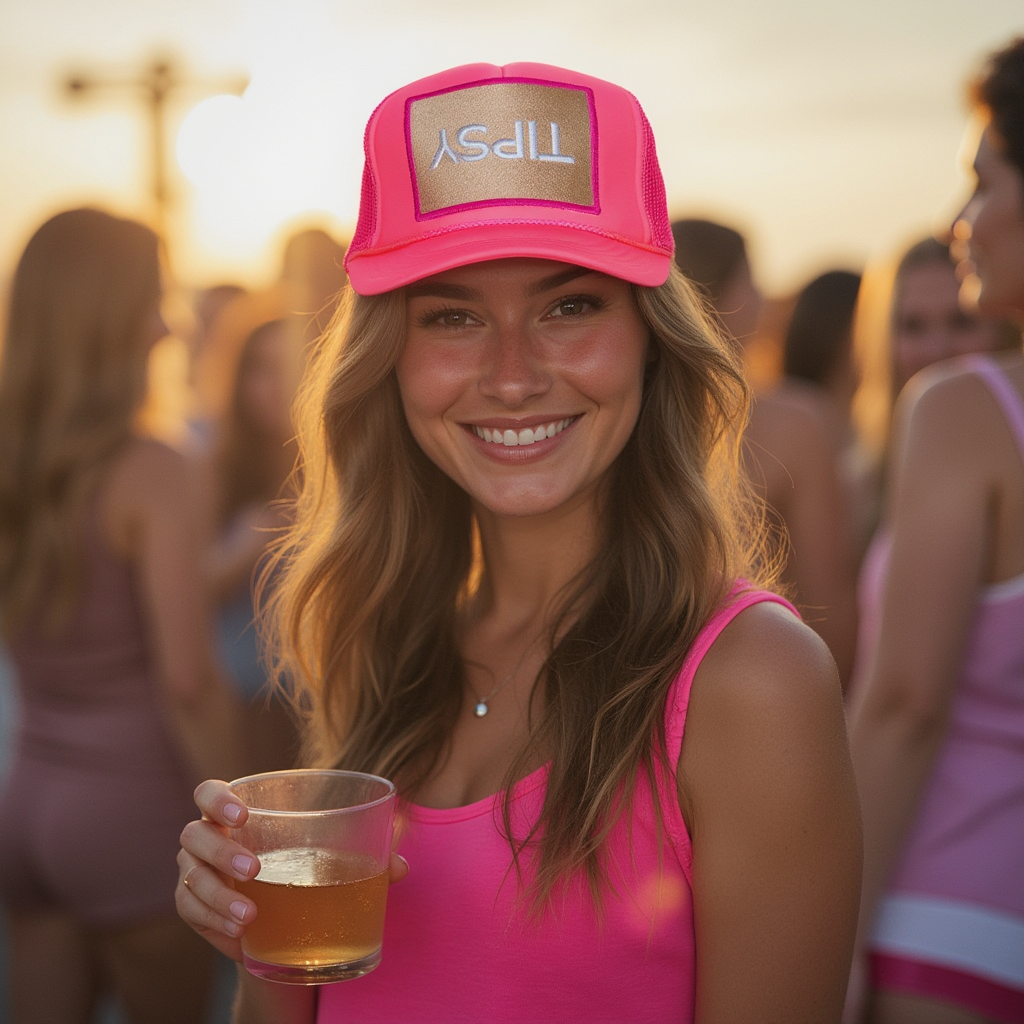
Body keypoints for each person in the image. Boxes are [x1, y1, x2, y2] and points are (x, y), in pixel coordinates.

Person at [176, 62, 862, 1024]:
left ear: (648, 339)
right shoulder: (389, 639)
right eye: (453, 317)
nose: (510, 375)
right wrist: (259, 938)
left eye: (569, 306)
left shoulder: (750, 684)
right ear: (391, 361)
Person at [0, 208, 247, 1024]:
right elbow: (186, 679)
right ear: (106, 317)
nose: (170, 325)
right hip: (132, 815)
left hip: (27, 808)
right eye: (153, 298)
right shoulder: (151, 467)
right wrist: (258, 819)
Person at [848, 36, 1024, 1024]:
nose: (961, 221)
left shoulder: (965, 411)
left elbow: (904, 704)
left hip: (944, 919)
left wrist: (827, 931)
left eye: (981, 182)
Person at [673, 217, 860, 688]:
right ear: (719, 297)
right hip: (758, 689)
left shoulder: (612, 416)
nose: (761, 299)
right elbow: (827, 607)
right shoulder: (793, 422)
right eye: (751, 281)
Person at [192, 314, 304, 772]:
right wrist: (249, 543)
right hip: (242, 698)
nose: (275, 384)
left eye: (290, 366)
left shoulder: (344, 465)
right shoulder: (209, 461)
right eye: (259, 368)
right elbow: (185, 589)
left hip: (319, 697)